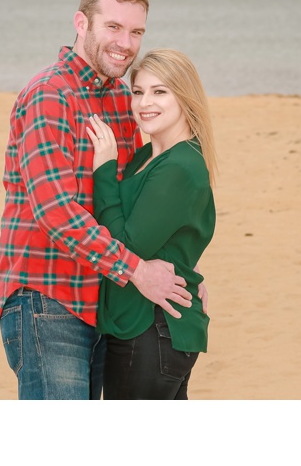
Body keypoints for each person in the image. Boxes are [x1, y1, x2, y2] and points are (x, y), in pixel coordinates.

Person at [0, 0, 192, 400]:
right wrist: (140, 272)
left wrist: (182, 273)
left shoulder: (123, 102)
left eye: (136, 31)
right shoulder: (50, 95)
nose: (126, 42)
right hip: (48, 298)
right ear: (82, 23)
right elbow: (56, 213)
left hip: (104, 302)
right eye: (113, 27)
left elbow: (132, 207)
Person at [86, 48, 217, 399]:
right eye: (138, 91)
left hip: (152, 329)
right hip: (143, 325)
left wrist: (103, 169)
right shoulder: (147, 156)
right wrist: (188, 268)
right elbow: (168, 233)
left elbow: (126, 245)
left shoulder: (180, 166)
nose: (145, 102)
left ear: (184, 96)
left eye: (160, 91)